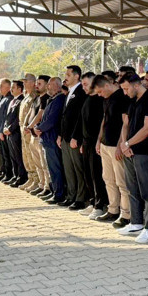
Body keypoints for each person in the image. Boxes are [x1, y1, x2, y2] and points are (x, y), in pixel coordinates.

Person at [117, 72, 148, 242]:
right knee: (132, 188)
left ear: (136, 85)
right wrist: (124, 144)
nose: (124, 92)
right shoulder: (132, 101)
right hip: (130, 151)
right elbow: (126, 124)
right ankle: (136, 222)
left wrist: (128, 144)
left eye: (126, 88)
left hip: (145, 152)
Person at [93, 74, 131, 225]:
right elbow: (104, 119)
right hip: (105, 144)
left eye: (100, 91)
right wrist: (98, 140)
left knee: (121, 181)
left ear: (107, 85)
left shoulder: (122, 96)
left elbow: (125, 123)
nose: (100, 95)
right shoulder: (106, 99)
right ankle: (113, 209)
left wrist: (121, 145)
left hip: (116, 145)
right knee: (108, 179)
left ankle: (126, 214)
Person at [78, 72, 108, 219]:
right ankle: (93, 201)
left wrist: (98, 141)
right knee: (88, 174)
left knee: (97, 174)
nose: (83, 87)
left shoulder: (99, 100)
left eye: (85, 84)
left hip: (97, 143)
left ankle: (100, 205)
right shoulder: (87, 99)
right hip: (86, 143)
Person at [60, 65, 88, 210]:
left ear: (77, 76)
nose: (66, 77)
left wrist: (76, 136)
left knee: (78, 169)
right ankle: (71, 196)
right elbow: (64, 116)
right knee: (69, 169)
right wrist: (60, 135)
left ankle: (80, 198)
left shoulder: (81, 92)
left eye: (68, 74)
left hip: (74, 138)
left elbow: (79, 117)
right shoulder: (70, 92)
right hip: (65, 137)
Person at [34, 77, 67, 204]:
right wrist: (39, 127)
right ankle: (55, 191)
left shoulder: (59, 99)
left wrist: (39, 128)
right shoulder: (51, 99)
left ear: (58, 86)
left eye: (51, 85)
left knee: (55, 168)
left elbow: (52, 120)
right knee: (51, 168)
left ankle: (59, 194)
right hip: (47, 138)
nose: (48, 87)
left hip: (52, 138)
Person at [3, 80, 28, 187]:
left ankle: (21, 177)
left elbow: (19, 118)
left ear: (19, 89)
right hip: (9, 132)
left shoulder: (21, 100)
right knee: (12, 156)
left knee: (18, 156)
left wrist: (10, 128)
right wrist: (5, 127)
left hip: (16, 132)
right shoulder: (13, 100)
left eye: (13, 87)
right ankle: (15, 175)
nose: (11, 89)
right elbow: (8, 117)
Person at [19, 73, 41, 192]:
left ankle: (37, 180)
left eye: (26, 81)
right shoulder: (26, 95)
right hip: (23, 130)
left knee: (32, 156)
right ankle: (31, 178)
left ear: (33, 83)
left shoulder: (35, 96)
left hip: (30, 131)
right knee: (26, 155)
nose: (24, 83)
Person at [0, 79, 12, 181]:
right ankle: (4, 173)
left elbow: (5, 117)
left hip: (2, 132)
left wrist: (0, 131)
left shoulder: (9, 99)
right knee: (2, 154)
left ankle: (8, 174)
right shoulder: (1, 98)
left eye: (1, 86)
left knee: (6, 155)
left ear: (8, 87)